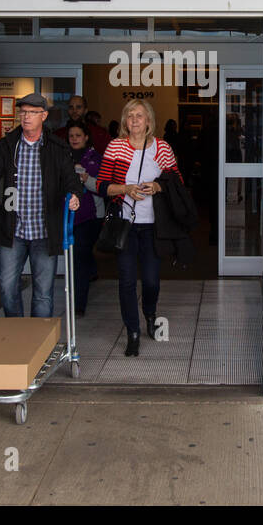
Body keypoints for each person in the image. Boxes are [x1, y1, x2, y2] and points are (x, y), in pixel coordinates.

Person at [0, 93, 80, 318]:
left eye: (32, 112)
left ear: (43, 116)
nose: (25, 117)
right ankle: (16, 334)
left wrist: (74, 195)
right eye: (22, 112)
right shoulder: (8, 145)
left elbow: (70, 178)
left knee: (43, 292)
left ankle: (38, 344)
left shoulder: (57, 147)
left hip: (45, 230)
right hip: (14, 229)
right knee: (6, 286)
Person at [97, 99, 181, 356]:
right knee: (126, 280)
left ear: (148, 121)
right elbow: (101, 185)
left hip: (153, 226)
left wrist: (157, 186)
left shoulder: (162, 148)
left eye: (140, 115)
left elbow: (176, 182)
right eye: (130, 115)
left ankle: (151, 314)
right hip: (126, 225)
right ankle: (132, 332)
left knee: (152, 281)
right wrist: (125, 189)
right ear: (125, 121)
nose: (134, 120)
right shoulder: (115, 147)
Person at [65, 120, 102, 316]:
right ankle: (90, 271)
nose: (74, 139)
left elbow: (103, 187)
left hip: (91, 216)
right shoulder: (63, 157)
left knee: (80, 255)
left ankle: (79, 304)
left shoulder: (96, 158)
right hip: (68, 215)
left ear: (86, 137)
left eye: (78, 135)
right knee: (79, 256)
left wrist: (86, 179)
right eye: (71, 136)